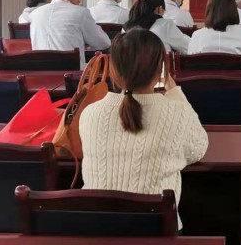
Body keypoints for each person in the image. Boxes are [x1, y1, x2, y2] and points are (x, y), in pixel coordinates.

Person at [80, 28, 208, 232]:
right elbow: (198, 150)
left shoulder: (90, 114)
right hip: (157, 231)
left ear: (114, 70)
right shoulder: (178, 113)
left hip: (96, 230)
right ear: (161, 71)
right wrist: (173, 90)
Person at [29, 0, 111, 68]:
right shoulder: (80, 13)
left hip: (40, 74)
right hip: (73, 75)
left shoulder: (35, 14)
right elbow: (103, 43)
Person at [124, 0, 190, 54]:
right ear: (159, 9)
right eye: (164, 10)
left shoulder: (125, 28)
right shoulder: (165, 25)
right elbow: (189, 46)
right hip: (159, 62)